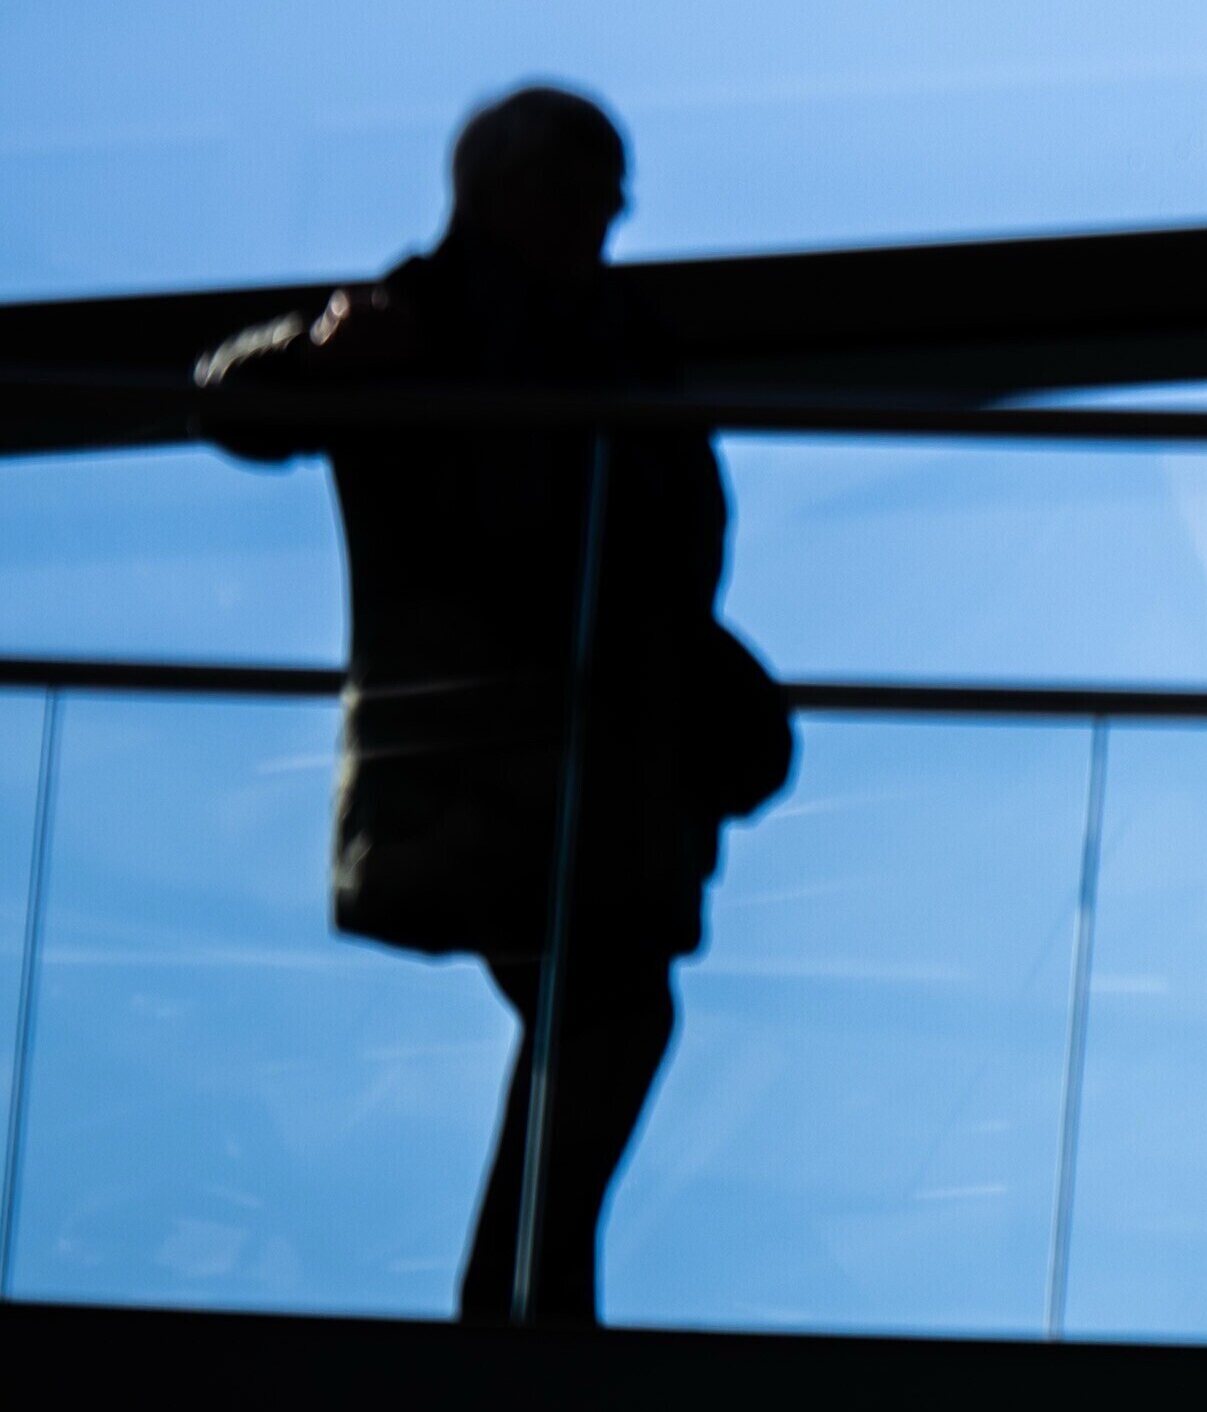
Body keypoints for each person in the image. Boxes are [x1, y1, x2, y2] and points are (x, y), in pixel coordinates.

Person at [194, 85, 795, 1327]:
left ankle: (527, 1294)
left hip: (582, 755)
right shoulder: (425, 317)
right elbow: (236, 400)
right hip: (483, 757)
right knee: (613, 1006)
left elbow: (670, 529)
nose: (604, 219)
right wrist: (320, 353)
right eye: (583, 194)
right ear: (509, 191)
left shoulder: (608, 336)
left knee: (609, 1007)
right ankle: (524, 1297)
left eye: (607, 198)